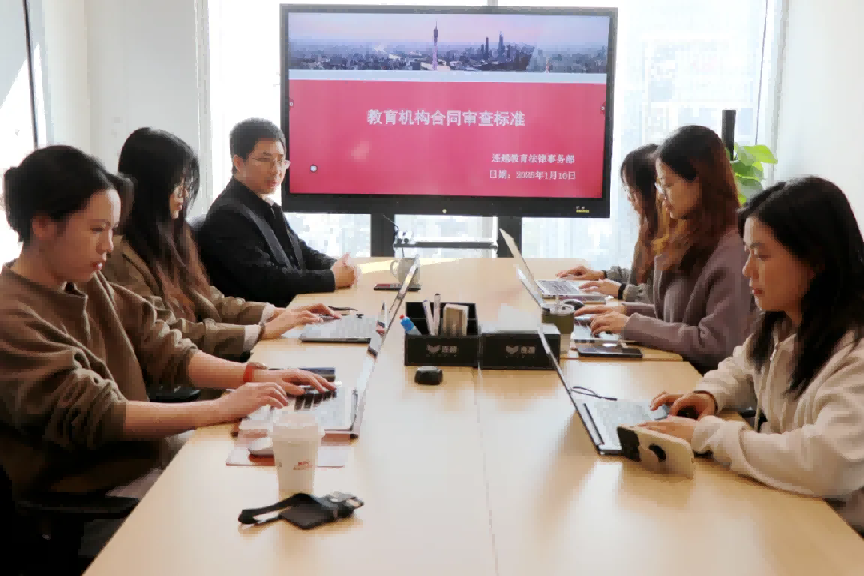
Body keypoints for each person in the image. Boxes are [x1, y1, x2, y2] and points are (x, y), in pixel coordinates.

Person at [0, 145, 332, 511]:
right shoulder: (11, 315)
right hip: (95, 492)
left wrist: (253, 376)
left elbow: (163, 345)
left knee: (275, 468)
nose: (108, 245)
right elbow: (99, 413)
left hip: (145, 459)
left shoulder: (85, 281)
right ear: (43, 225)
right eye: (96, 229)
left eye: (111, 230)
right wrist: (220, 408)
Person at [642, 177, 864, 534]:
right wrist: (709, 394)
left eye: (761, 255)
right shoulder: (785, 322)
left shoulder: (855, 353)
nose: (746, 270)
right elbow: (742, 367)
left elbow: (828, 464)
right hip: (792, 510)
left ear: (816, 261)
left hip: (841, 535)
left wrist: (708, 434)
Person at [104, 127, 337, 360]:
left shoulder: (172, 235)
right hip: (191, 367)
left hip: (206, 355)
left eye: (185, 183)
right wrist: (261, 331)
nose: (184, 194)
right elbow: (170, 335)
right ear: (150, 187)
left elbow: (211, 299)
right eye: (176, 184)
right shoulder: (121, 254)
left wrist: (278, 314)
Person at [575, 125, 752, 373]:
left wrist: (631, 324)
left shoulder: (733, 249)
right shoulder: (690, 235)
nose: (661, 196)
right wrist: (624, 311)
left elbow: (715, 344)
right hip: (677, 372)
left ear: (700, 182)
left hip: (701, 382)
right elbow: (672, 318)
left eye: (667, 185)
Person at [197, 118, 359, 306]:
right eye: (265, 160)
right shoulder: (227, 215)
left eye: (281, 161)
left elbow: (300, 252)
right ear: (239, 162)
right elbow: (267, 280)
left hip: (293, 308)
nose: (276, 170)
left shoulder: (264, 204)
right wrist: (331, 278)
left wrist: (334, 265)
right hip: (268, 319)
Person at [557, 144, 661, 303]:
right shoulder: (650, 228)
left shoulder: (671, 237)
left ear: (651, 192)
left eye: (632, 191)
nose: (629, 198)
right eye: (627, 190)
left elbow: (660, 299)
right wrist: (602, 275)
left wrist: (621, 291)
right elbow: (640, 280)